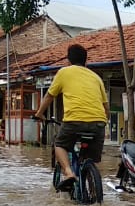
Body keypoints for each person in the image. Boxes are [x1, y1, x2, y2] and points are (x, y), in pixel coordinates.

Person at [33, 44, 108, 193]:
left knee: (59, 143)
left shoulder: (64, 72)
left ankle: (68, 173)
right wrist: (103, 123)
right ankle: (93, 188)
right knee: (92, 159)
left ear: (68, 60)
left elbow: (49, 96)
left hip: (74, 121)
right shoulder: (96, 77)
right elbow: (106, 107)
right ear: (86, 62)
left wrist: (39, 114)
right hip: (98, 123)